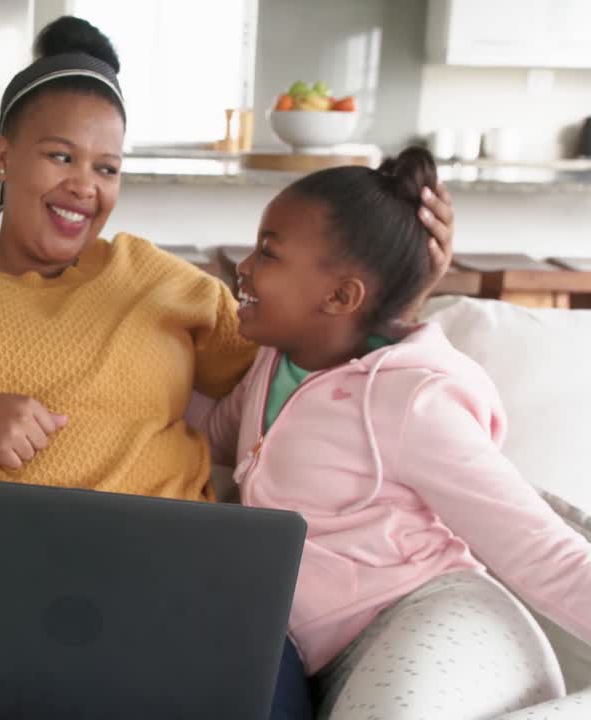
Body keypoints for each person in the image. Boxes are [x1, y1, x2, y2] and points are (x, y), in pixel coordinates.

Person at [0, 15, 453, 718]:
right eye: (60, 156)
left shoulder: (160, 281)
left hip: (177, 595)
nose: (85, 186)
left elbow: (312, 355)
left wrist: (398, 289)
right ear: (3, 156)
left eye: (107, 168)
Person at [204, 146, 591, 718]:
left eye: (268, 252)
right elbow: (209, 432)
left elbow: (539, 548)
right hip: (321, 647)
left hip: (432, 617)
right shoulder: (274, 365)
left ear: (340, 297)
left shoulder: (413, 403)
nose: (242, 267)